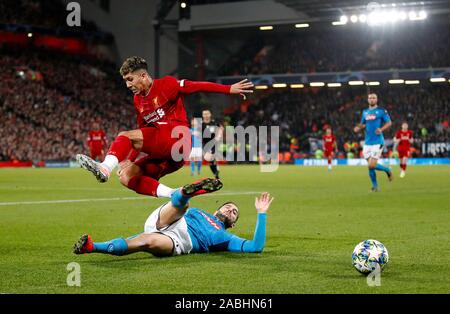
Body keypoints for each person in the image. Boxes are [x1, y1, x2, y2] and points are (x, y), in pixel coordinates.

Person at [76, 56, 254, 199]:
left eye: (130, 79)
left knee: (125, 135)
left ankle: (105, 167)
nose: (127, 85)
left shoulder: (166, 84)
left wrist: (228, 88)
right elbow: (142, 135)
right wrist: (129, 160)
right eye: (125, 81)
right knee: (127, 176)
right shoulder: (138, 100)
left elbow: (196, 86)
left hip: (179, 138)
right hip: (171, 157)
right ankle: (175, 194)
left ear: (143, 76)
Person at [73, 178, 274, 257]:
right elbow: (182, 214)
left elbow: (255, 247)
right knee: (184, 206)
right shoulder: (200, 213)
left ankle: (91, 247)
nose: (230, 210)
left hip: (178, 241)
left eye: (234, 213)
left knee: (146, 240)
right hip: (170, 219)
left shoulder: (225, 237)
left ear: (233, 223)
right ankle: (186, 194)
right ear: (216, 211)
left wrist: (262, 214)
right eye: (228, 207)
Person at [354, 93, 393, 192]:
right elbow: (363, 124)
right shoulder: (365, 112)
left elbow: (389, 122)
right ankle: (375, 187)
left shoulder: (381, 111)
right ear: (368, 100)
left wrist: (381, 129)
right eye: (370, 98)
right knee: (370, 166)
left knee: (371, 165)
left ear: (377, 99)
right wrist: (358, 127)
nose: (372, 99)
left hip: (377, 141)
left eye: (373, 98)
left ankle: (387, 170)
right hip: (367, 143)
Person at [201, 109, 223, 179]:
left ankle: (216, 174)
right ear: (202, 115)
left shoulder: (214, 122)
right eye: (204, 114)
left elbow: (221, 128)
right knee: (209, 160)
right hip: (204, 144)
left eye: (207, 114)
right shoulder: (201, 124)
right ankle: (216, 172)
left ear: (210, 115)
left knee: (210, 157)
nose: (206, 115)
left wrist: (219, 136)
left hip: (213, 143)